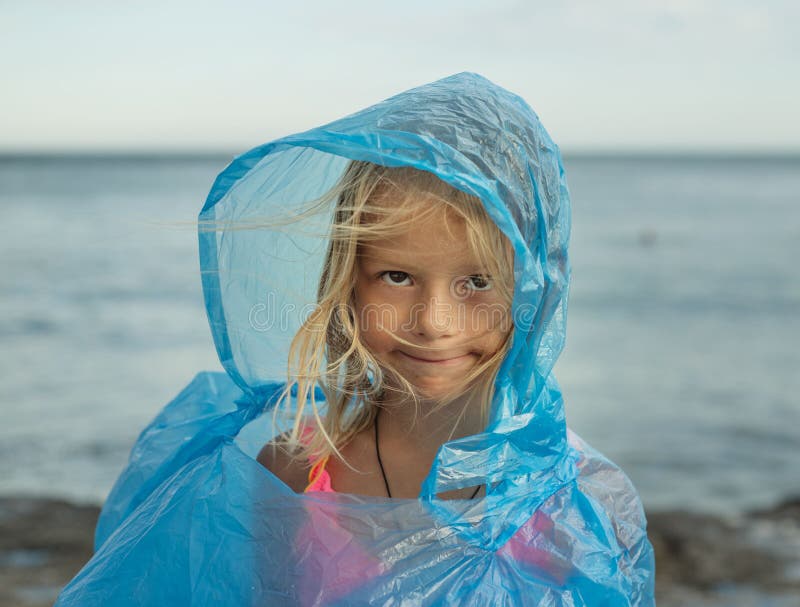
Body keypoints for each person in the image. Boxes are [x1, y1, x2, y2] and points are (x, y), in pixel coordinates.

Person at [56, 73, 655, 606]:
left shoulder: (584, 505)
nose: (434, 320)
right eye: (397, 276)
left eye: (477, 281)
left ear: (535, 293)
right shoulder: (294, 473)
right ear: (347, 286)